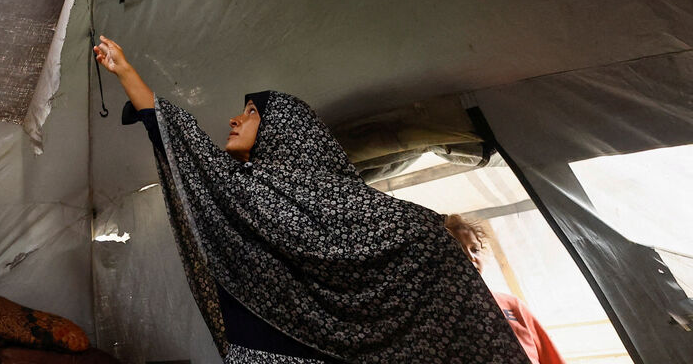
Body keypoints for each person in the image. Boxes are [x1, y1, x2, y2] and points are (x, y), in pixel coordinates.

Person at [93, 35, 528, 364]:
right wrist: (128, 75)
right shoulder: (249, 192)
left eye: (250, 114)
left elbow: (423, 247)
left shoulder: (329, 200)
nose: (234, 118)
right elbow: (196, 159)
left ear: (286, 132)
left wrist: (439, 245)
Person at [445, 215, 568, 364]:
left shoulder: (512, 305)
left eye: (475, 249)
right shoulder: (439, 314)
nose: (471, 257)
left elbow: (550, 357)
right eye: (458, 251)